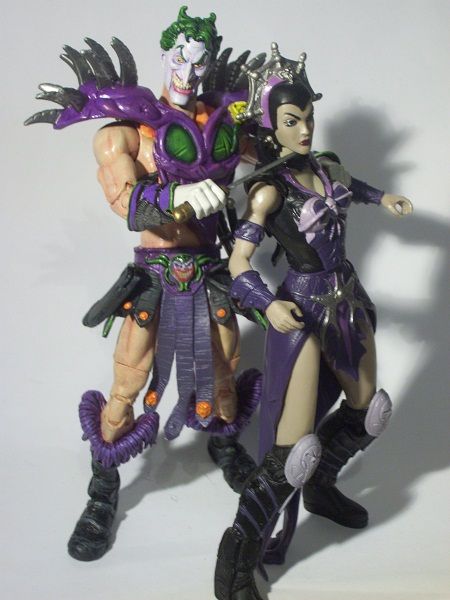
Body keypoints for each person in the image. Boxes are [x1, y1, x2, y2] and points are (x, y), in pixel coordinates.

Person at [25, 6, 263, 562]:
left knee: (224, 367)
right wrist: (177, 195)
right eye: (180, 57)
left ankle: (226, 447)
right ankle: (103, 484)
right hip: (156, 274)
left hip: (209, 269)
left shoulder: (223, 123)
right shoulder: (127, 132)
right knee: (128, 380)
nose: (189, 70)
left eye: (200, 61)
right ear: (164, 55)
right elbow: (125, 201)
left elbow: (270, 158)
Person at [214, 43, 413, 600]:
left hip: (346, 298)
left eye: (308, 118)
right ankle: (236, 559)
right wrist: (266, 304)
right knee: (293, 451)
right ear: (270, 126)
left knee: (370, 410)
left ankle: (323, 487)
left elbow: (354, 188)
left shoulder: (327, 167)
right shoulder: (268, 190)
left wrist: (384, 196)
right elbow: (238, 262)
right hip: (300, 310)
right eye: (291, 121)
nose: (303, 130)